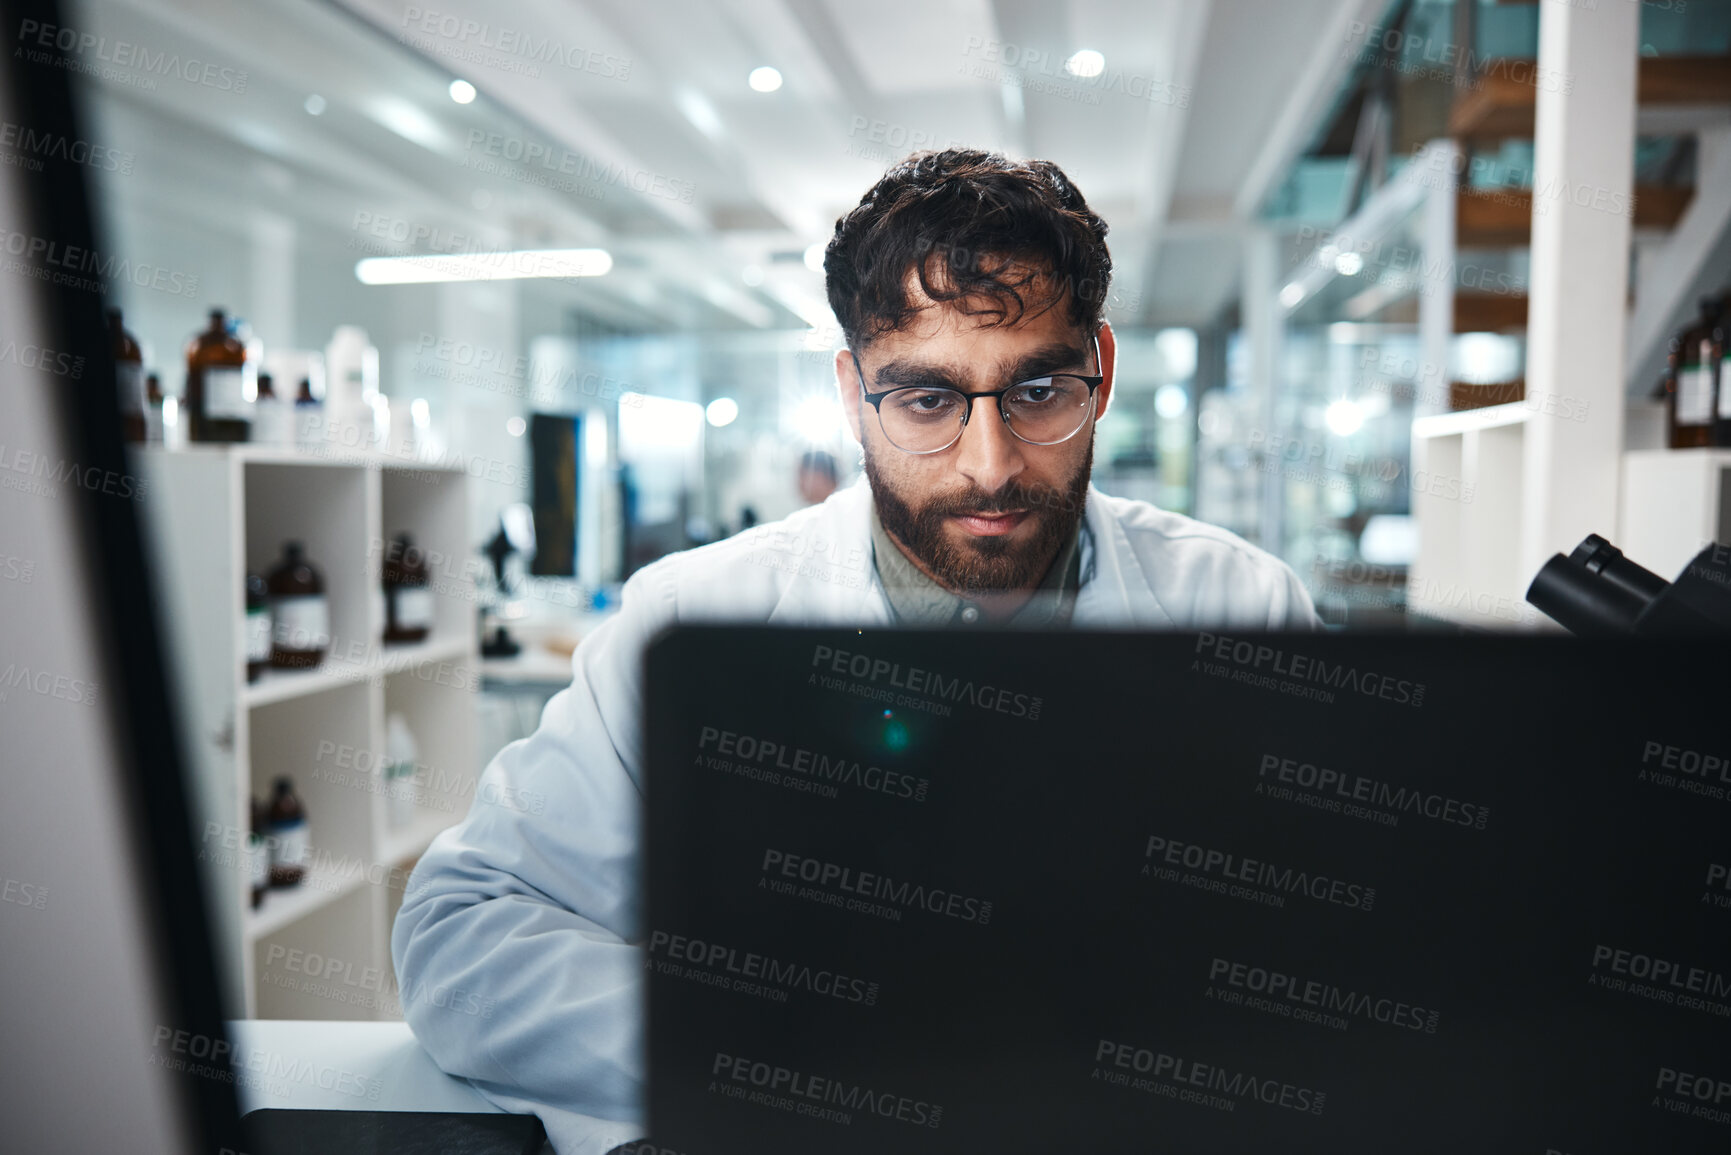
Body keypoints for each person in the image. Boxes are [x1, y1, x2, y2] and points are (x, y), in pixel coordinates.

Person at [392, 148, 1319, 1155]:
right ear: (852, 392)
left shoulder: (1242, 608)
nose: (991, 464)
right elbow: (464, 936)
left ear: (1101, 366)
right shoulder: (691, 620)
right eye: (926, 402)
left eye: (1039, 391)